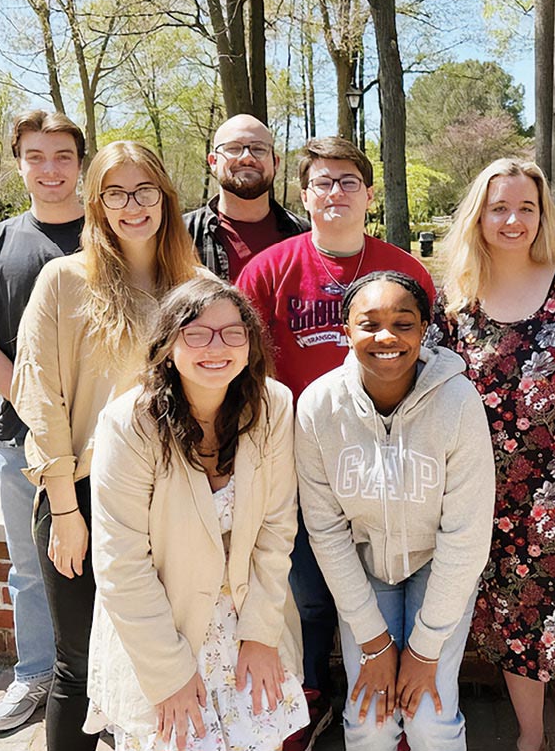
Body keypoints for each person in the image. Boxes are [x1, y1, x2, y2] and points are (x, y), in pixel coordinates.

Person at [237, 136, 435, 750]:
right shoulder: (269, 269)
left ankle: (392, 707)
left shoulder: (405, 269)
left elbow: (429, 362)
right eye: (322, 182)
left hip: (385, 457)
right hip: (293, 452)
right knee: (307, 589)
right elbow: (242, 362)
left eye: (348, 181)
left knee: (383, 582)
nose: (335, 193)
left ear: (369, 194)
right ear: (304, 193)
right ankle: (311, 694)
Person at [12, 140, 202, 751]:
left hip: (175, 496)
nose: (132, 205)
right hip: (85, 497)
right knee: (80, 666)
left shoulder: (197, 288)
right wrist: (65, 511)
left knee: (157, 662)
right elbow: (40, 401)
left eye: (144, 189)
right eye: (115, 193)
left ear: (166, 199)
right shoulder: (65, 283)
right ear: (96, 204)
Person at [426, 159, 555, 751]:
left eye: (526, 208)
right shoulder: (455, 299)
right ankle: (529, 738)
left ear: (543, 214)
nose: (513, 220)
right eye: (498, 207)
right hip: (488, 493)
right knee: (514, 623)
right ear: (478, 215)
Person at [86, 279, 309, 751]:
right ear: (167, 346)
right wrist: (169, 675)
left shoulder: (273, 407)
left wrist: (263, 635)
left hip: (249, 619)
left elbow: (276, 529)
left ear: (250, 345)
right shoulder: (128, 425)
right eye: (197, 333)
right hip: (163, 627)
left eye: (233, 333)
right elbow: (120, 563)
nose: (217, 347)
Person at [296, 271, 494, 751]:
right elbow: (326, 530)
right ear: (346, 330)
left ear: (425, 328)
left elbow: (466, 537)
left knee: (428, 717)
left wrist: (424, 652)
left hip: (438, 568)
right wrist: (374, 643)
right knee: (371, 719)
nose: (387, 337)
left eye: (403, 323)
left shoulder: (457, 400)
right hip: (365, 570)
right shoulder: (319, 407)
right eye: (369, 324)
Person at [0, 110, 86, 733]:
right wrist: (40, 418)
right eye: (36, 156)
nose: (50, 168)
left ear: (80, 162)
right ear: (19, 164)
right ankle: (35, 675)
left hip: (106, 440)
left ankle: (106, 686)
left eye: (62, 155)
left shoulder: (111, 235)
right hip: (22, 439)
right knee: (30, 566)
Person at [184, 114, 308, 282]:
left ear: (275, 163)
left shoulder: (304, 235)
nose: (247, 158)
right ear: (213, 161)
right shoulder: (182, 234)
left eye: (259, 149)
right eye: (233, 148)